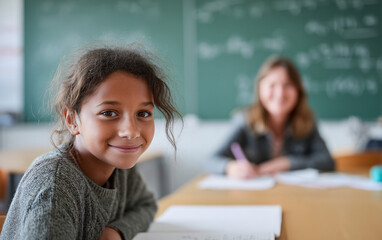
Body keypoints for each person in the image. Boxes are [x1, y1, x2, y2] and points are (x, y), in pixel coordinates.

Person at [1, 44, 182, 239]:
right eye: (109, 113)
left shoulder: (120, 166)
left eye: (143, 113)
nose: (130, 132)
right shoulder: (55, 186)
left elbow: (145, 206)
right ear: (72, 119)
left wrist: (116, 232)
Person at [206, 56, 335, 179]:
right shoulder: (245, 119)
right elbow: (211, 160)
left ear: (298, 90)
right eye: (272, 85)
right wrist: (231, 167)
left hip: (293, 195)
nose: (280, 93)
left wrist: (287, 163)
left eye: (288, 85)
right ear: (260, 89)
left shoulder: (306, 120)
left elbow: (328, 162)